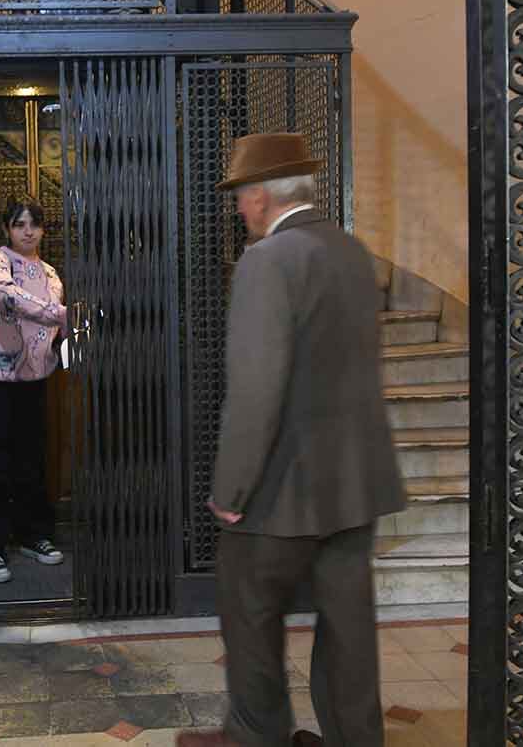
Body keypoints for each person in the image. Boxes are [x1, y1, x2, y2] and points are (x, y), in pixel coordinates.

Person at [177, 133, 406, 747]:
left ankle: (256, 736)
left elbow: (257, 388)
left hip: (280, 491)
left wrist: (231, 489)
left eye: (240, 195)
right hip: (355, 486)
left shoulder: (267, 261)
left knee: (249, 613)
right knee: (349, 630)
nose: (237, 208)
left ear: (260, 196)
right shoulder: (353, 252)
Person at [0, 196, 68, 583]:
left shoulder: (51, 272)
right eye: (19, 224)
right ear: (7, 228)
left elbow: (51, 319)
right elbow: (7, 296)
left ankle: (33, 534)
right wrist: (61, 313)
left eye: (34, 224)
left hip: (34, 378)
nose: (28, 231)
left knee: (31, 459)